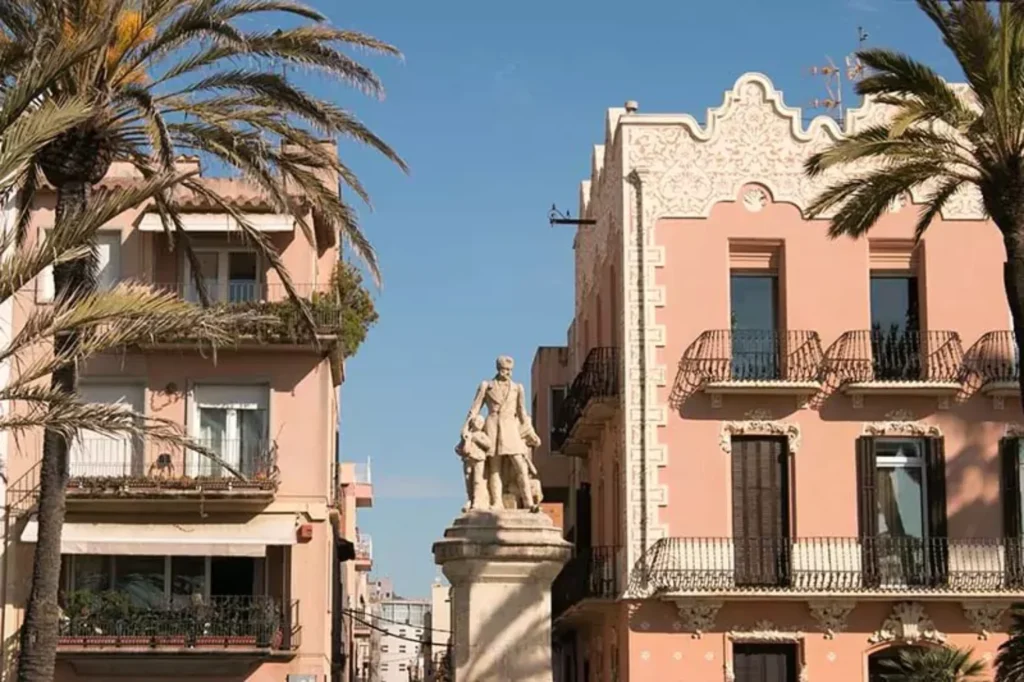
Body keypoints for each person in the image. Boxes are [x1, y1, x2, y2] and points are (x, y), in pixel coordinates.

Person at [464, 356, 542, 512]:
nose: (507, 373)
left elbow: (522, 412)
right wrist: (465, 428)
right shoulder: (486, 386)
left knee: (520, 466)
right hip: (492, 427)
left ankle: (528, 502)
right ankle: (496, 502)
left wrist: (530, 432)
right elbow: (475, 409)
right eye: (504, 369)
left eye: (509, 370)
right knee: (494, 468)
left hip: (511, 428)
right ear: (498, 369)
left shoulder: (517, 388)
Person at [455, 415, 491, 511]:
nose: (478, 424)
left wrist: (476, 439)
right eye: (476, 421)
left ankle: (477, 500)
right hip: (468, 459)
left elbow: (488, 445)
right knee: (468, 479)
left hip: (479, 459)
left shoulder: (481, 435)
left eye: (480, 422)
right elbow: (457, 449)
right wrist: (465, 440)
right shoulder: (468, 435)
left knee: (477, 480)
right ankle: (470, 499)